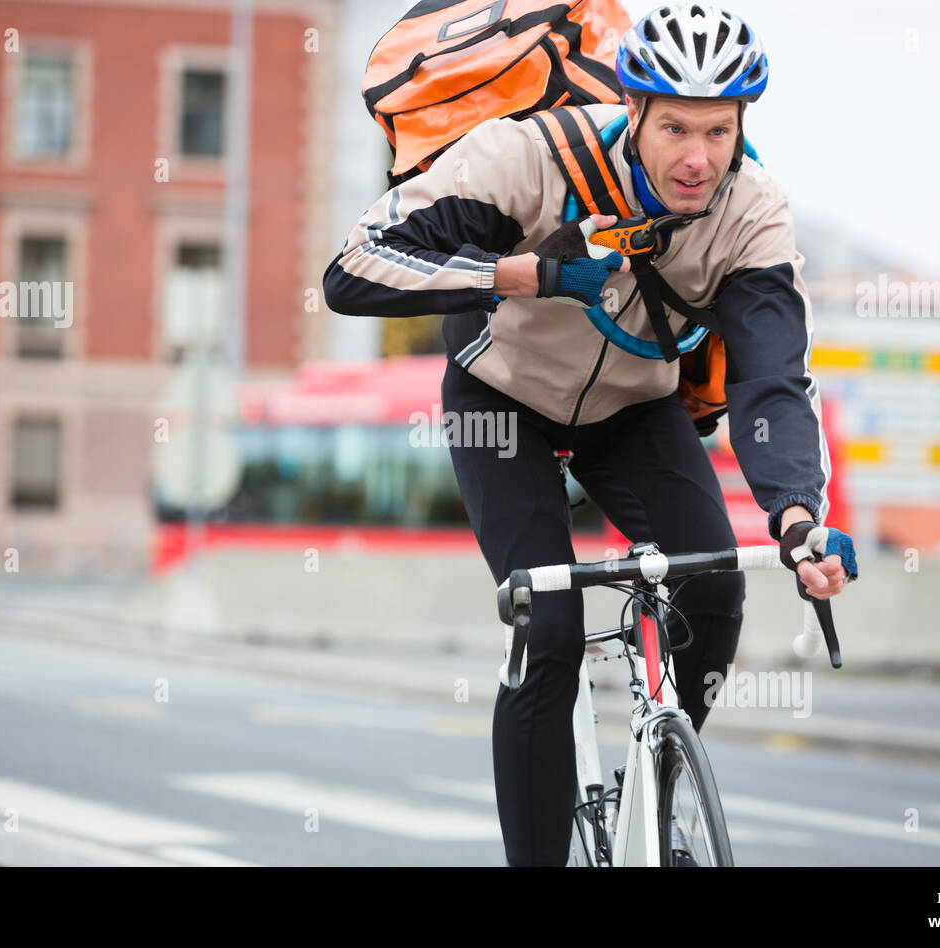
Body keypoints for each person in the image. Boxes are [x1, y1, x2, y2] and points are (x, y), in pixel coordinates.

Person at [324, 4, 856, 866]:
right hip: (502, 399)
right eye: (676, 126)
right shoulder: (533, 155)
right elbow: (352, 273)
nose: (697, 156)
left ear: (741, 127)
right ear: (634, 110)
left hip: (633, 411)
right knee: (552, 631)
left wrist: (798, 519)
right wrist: (523, 271)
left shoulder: (754, 213)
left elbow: (773, 380)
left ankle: (660, 780)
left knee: (716, 593)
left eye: (718, 131)